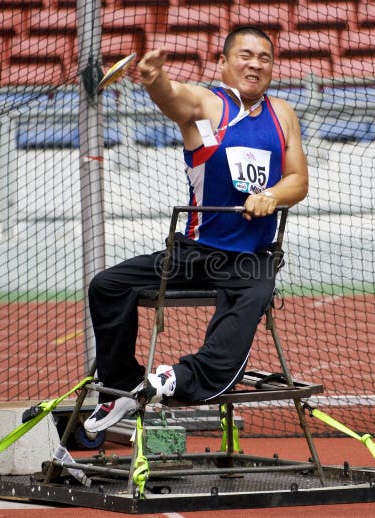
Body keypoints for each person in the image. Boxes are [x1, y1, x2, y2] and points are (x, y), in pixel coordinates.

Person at [84, 26, 309, 432]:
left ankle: (178, 379)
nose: (255, 64)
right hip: (194, 254)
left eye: (264, 57)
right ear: (222, 63)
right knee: (107, 286)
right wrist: (155, 81)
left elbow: (299, 181)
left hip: (249, 260)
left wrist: (272, 196)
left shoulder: (283, 115)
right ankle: (122, 387)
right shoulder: (209, 103)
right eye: (245, 55)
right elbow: (175, 98)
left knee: (255, 296)